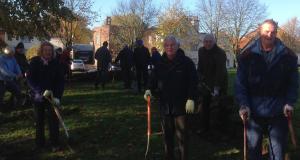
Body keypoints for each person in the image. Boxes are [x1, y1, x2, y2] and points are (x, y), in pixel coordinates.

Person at [236, 19, 298, 160]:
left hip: (278, 111)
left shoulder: (288, 56)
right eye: (266, 31)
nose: (269, 35)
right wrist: (243, 104)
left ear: (276, 33)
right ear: (260, 31)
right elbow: (240, 84)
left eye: (273, 32)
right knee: (253, 152)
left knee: (278, 153)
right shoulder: (247, 56)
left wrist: (289, 102)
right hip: (253, 111)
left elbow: (293, 83)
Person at [144, 35, 198, 160]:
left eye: (172, 45)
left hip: (182, 107)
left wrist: (191, 98)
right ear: (164, 47)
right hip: (165, 107)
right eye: (167, 45)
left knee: (182, 139)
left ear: (178, 46)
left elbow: (193, 82)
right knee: (167, 139)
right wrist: (148, 89)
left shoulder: (187, 63)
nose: (170, 47)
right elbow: (152, 79)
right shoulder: (160, 63)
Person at [26, 41, 64, 151]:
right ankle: (40, 143)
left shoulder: (56, 63)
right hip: (38, 97)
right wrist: (40, 91)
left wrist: (57, 96)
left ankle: (55, 143)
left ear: (52, 52)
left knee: (53, 120)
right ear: (41, 51)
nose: (48, 52)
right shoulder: (34, 62)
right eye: (46, 50)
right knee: (39, 121)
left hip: (52, 97)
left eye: (50, 51)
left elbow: (60, 81)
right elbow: (30, 79)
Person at [197, 34, 228, 133]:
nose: (208, 43)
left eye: (210, 41)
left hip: (219, 82)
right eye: (206, 41)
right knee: (204, 106)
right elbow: (200, 66)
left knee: (219, 107)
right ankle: (204, 127)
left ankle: (220, 130)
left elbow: (220, 71)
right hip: (206, 83)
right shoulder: (201, 51)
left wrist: (217, 88)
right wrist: (199, 77)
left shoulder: (220, 53)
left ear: (214, 42)